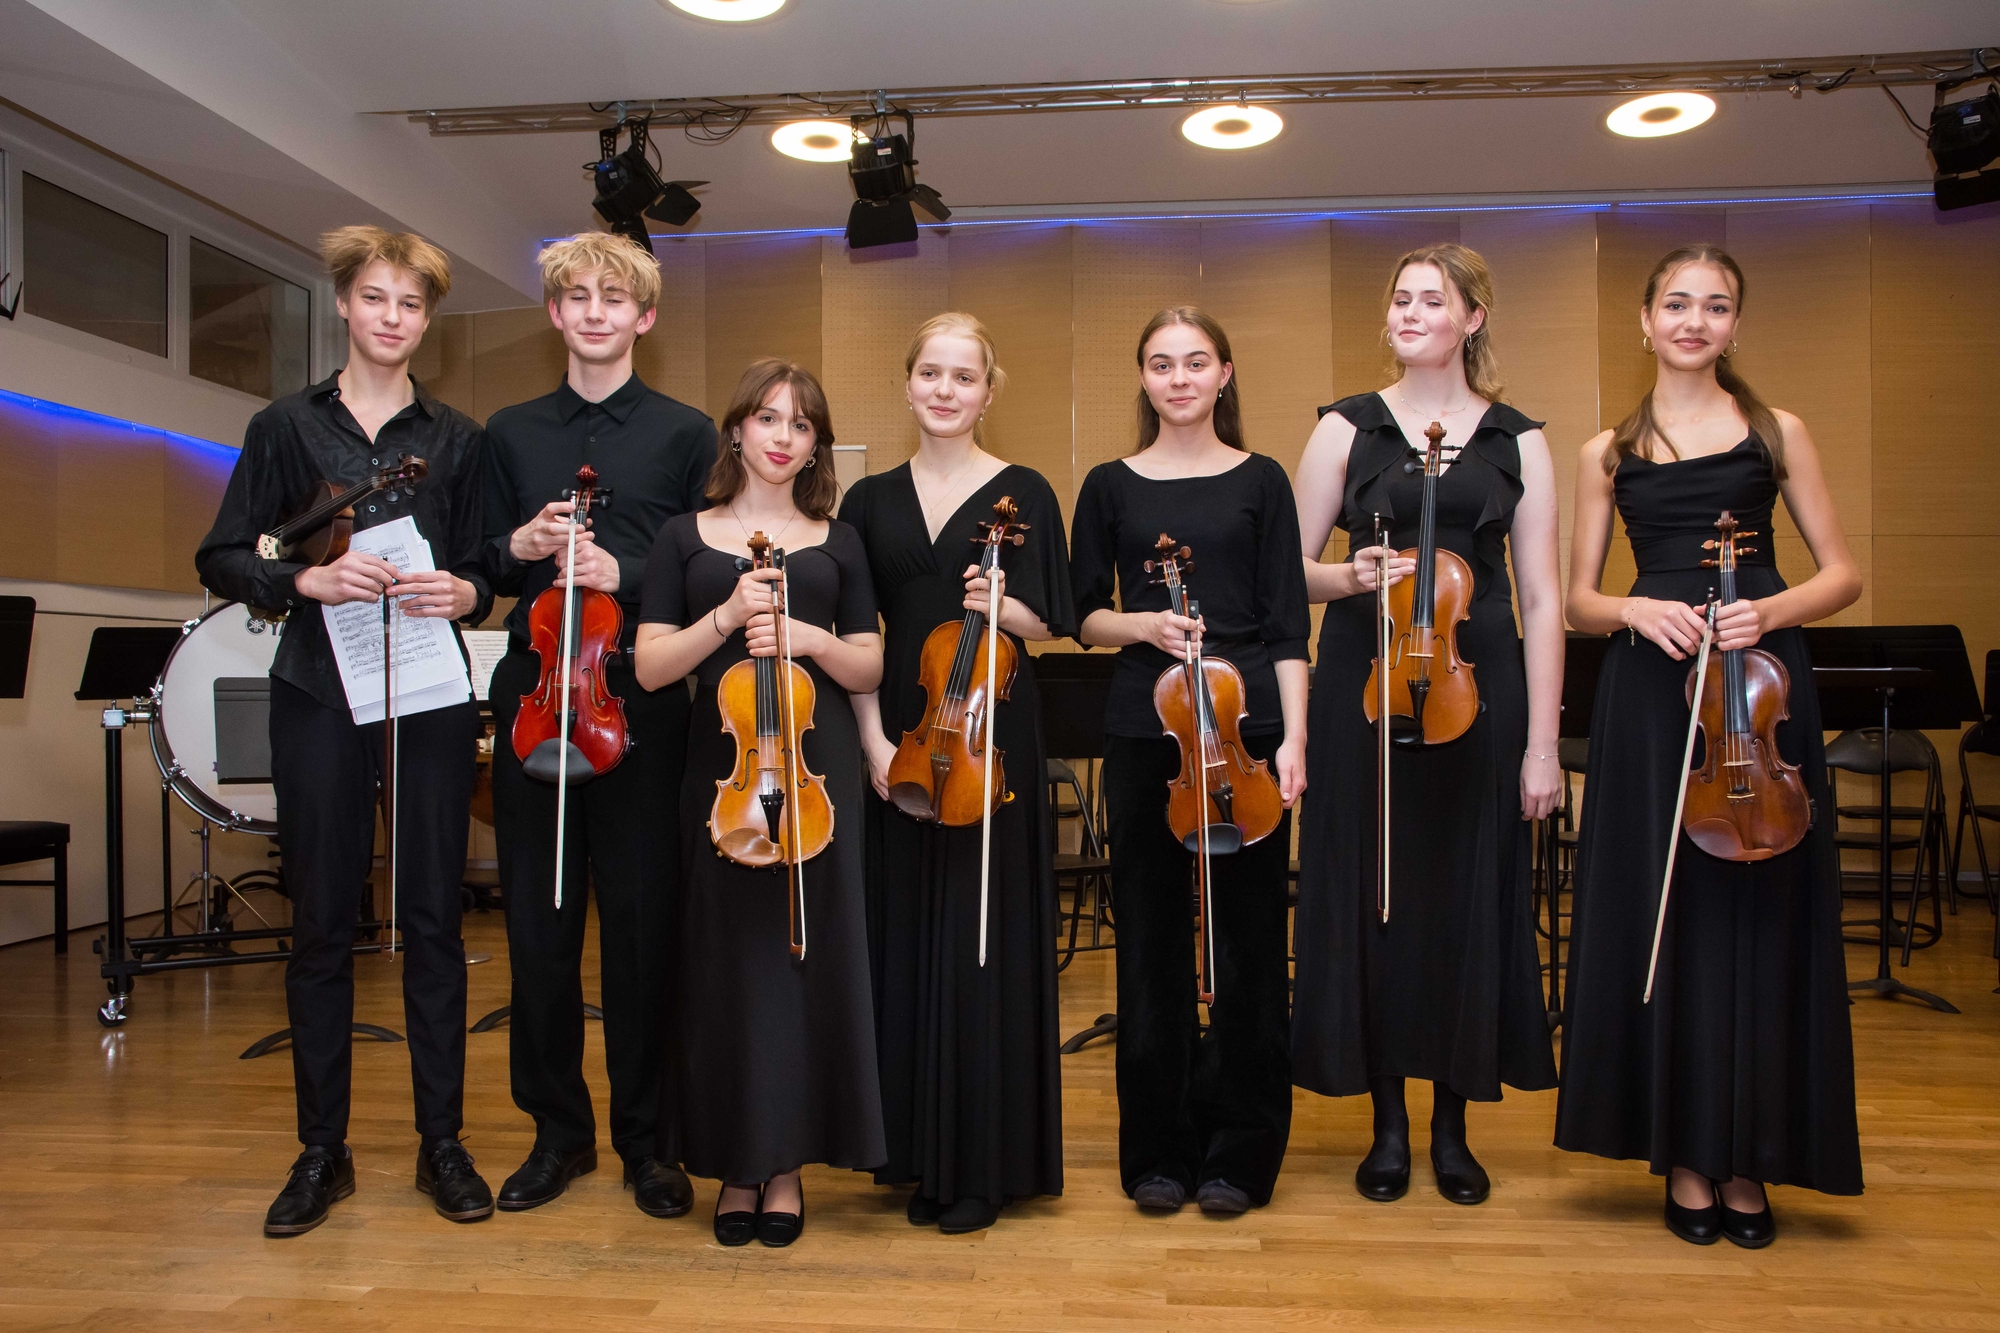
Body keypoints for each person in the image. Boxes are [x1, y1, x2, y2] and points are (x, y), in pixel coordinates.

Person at [1554, 243, 1864, 1247]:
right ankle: (1685, 1155)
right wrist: (1634, 610)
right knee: (1672, 914)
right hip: (1655, 694)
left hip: (1759, 684)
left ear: (1734, 324)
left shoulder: (1777, 432)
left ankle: (1751, 1155)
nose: (1694, 321)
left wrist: (1767, 609)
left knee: (1759, 913)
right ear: (1644, 321)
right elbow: (1576, 599)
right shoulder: (1605, 452)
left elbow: (1843, 573)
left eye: (1716, 305)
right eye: (1677, 304)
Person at [196, 225, 494, 1236]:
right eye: (375, 298)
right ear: (343, 303)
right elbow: (222, 555)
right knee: (321, 920)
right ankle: (322, 1151)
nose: (392, 317)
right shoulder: (282, 425)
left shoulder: (458, 439)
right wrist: (303, 580)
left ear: (428, 319)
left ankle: (441, 1143)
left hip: (427, 695)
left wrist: (468, 590)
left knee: (432, 923)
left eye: (410, 303)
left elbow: (486, 565)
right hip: (317, 692)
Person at [1290, 243, 1562, 1206]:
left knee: (1463, 901)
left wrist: (1541, 746)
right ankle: (1388, 1125)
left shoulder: (1519, 440)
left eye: (1431, 299)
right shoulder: (1344, 428)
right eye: (1399, 298)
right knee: (1374, 898)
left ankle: (1452, 1124)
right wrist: (1348, 574)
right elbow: (1287, 575)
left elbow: (1542, 597)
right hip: (1362, 688)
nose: (1408, 312)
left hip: (1479, 690)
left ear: (1472, 318)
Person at [481, 233, 716, 1218]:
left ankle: (647, 1142)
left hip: (640, 702)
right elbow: (476, 570)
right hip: (537, 698)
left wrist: (633, 572)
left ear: (643, 317)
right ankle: (556, 1134)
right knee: (538, 929)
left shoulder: (686, 432)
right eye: (575, 296)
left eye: (613, 299)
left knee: (642, 931)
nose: (593, 312)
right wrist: (519, 543)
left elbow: (708, 567)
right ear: (554, 312)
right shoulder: (507, 431)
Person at [633, 359, 886, 1247]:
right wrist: (725, 616)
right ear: (736, 428)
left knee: (805, 964)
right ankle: (737, 1163)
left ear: (816, 445)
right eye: (768, 417)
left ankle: (786, 1169)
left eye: (802, 424)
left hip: (818, 773)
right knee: (727, 968)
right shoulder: (681, 537)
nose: (783, 436)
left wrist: (808, 635)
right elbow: (650, 667)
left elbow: (869, 664)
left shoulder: (840, 540)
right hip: (725, 774)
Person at [1070, 306, 1309, 1217]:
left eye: (1196, 362)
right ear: (1143, 377)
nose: (1179, 378)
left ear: (1224, 373)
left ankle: (1241, 1151)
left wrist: (1295, 739)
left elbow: (1289, 623)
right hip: (1145, 729)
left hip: (1247, 730)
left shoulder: (1263, 479)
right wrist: (1144, 625)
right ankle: (1158, 1150)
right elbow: (1083, 616)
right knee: (1152, 943)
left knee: (1250, 945)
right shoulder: (1108, 484)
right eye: (1162, 363)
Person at [841, 313, 1074, 1235]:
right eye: (930, 373)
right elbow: (855, 634)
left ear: (988, 391)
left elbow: (1056, 617)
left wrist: (1005, 606)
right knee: (906, 932)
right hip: (903, 732)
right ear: (908, 385)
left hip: (991, 732)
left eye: (963, 376)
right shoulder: (868, 500)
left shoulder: (1026, 491)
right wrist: (870, 741)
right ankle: (911, 1149)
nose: (945, 389)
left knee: (986, 938)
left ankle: (983, 1160)